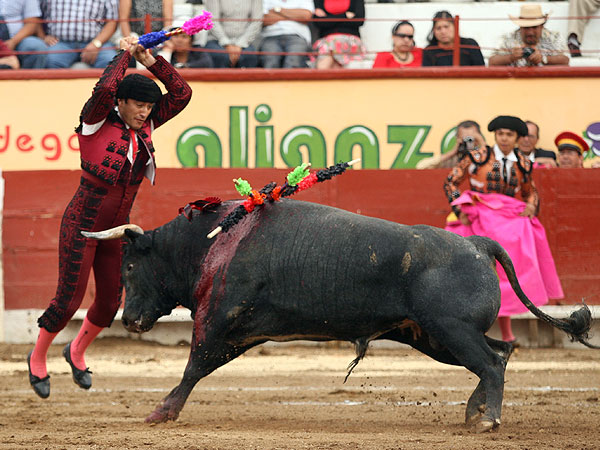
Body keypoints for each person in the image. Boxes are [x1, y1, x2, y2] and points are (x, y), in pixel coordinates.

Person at [27, 36, 192, 399]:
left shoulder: (147, 124)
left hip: (117, 229)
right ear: (121, 103)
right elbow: (104, 86)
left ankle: (77, 351)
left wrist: (149, 59)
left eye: (149, 107)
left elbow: (181, 93)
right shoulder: (95, 120)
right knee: (68, 299)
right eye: (138, 105)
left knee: (109, 302)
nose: (145, 112)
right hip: (82, 223)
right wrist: (123, 53)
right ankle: (37, 356)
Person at [443, 115, 563, 345]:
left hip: (507, 222)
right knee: (472, 272)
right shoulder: (476, 157)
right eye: (500, 134)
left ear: (517, 138)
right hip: (478, 218)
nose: (504, 138)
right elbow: (450, 183)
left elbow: (530, 192)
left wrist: (530, 205)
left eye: (509, 135)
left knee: (505, 272)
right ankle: (474, 329)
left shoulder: (524, 163)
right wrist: (460, 211)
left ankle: (506, 334)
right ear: (495, 136)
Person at [38, 0, 119, 69]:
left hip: (97, 42)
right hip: (60, 42)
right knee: (50, 61)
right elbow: (36, 15)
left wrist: (96, 44)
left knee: (109, 61)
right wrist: (43, 36)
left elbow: (112, 22)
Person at [488, 4, 569, 67]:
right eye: (526, 28)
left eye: (534, 27)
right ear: (520, 27)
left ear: (542, 26)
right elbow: (491, 62)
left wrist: (543, 59)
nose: (530, 32)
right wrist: (511, 57)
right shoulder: (508, 38)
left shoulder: (554, 37)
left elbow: (565, 60)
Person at [204, 0, 262, 68]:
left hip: (245, 41)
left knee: (249, 57)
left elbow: (257, 22)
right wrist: (227, 44)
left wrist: (240, 44)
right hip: (216, 40)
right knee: (220, 57)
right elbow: (212, 21)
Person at [311, 0, 365, 69]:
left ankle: (320, 77)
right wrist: (345, 16)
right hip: (326, 41)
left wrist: (329, 18)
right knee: (329, 48)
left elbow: (359, 21)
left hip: (350, 41)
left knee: (329, 51)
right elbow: (319, 23)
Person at [260, 0, 314, 68]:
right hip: (271, 36)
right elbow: (263, 19)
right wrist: (292, 15)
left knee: (294, 61)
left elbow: (306, 16)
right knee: (270, 61)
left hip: (297, 36)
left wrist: (278, 10)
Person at [416, 120, 486, 169]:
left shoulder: (486, 157)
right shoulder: (450, 160)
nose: (468, 142)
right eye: (464, 138)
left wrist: (483, 145)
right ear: (457, 138)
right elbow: (421, 166)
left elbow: (495, 165)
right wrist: (452, 152)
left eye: (471, 138)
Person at [1, 0, 48, 68]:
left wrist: (13, 42)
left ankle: (30, 78)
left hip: (17, 39)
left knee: (37, 47)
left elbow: (32, 22)